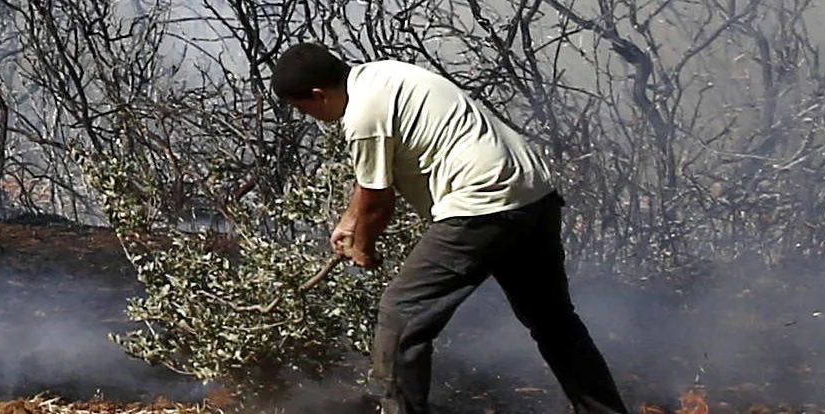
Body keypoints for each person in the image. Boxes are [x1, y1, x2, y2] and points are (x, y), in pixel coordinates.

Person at [268, 43, 628, 414]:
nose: (307, 116)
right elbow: (369, 188)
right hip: (533, 195)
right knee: (553, 322)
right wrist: (349, 221)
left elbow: (379, 202)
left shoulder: (361, 116)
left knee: (401, 314)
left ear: (317, 94)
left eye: (302, 108)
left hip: (482, 204)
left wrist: (363, 249)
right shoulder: (383, 75)